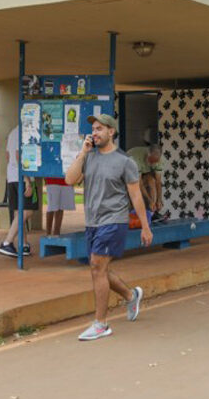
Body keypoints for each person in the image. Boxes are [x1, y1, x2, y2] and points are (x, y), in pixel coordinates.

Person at [65, 114, 152, 341]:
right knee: (98, 268)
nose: (95, 132)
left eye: (100, 129)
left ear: (111, 132)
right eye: (93, 129)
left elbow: (136, 195)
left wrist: (145, 226)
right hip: (92, 221)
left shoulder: (125, 162)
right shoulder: (89, 157)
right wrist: (83, 152)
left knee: (96, 264)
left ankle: (101, 324)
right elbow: (69, 180)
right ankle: (130, 295)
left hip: (114, 220)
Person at [0, 126, 38, 257]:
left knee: (18, 213)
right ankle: (7, 242)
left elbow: (8, 157)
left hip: (12, 177)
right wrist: (27, 180)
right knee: (27, 211)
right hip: (22, 177)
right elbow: (17, 155)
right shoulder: (25, 132)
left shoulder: (12, 132)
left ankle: (24, 244)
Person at [126, 144, 166, 221]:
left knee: (151, 181)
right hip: (127, 177)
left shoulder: (160, 160)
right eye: (151, 161)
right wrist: (149, 200)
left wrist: (159, 200)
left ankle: (153, 212)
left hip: (143, 173)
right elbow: (139, 183)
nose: (153, 164)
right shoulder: (135, 158)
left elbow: (158, 182)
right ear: (148, 154)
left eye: (155, 162)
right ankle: (133, 214)